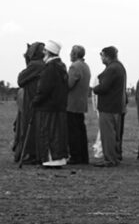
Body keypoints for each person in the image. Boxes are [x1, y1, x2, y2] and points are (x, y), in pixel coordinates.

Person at [31, 40, 72, 168]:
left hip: (48, 108)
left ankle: (51, 159)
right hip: (59, 106)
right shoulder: (61, 66)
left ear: (49, 52)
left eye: (45, 51)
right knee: (58, 134)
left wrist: (35, 101)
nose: (43, 53)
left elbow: (44, 89)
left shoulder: (50, 68)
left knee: (48, 133)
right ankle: (59, 158)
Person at [90, 46, 127, 167]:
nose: (101, 58)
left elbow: (104, 87)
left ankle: (109, 159)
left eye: (102, 55)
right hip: (116, 106)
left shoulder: (112, 68)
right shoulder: (119, 66)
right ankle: (114, 157)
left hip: (108, 106)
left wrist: (94, 89)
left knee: (108, 134)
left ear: (106, 56)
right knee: (114, 134)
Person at [13, 42, 43, 166]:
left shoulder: (35, 65)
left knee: (29, 128)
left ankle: (32, 154)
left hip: (31, 100)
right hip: (36, 100)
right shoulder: (43, 64)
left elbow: (21, 80)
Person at [65, 45, 93, 165]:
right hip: (81, 103)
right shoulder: (85, 66)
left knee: (73, 132)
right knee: (81, 131)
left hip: (72, 104)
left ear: (75, 54)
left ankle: (75, 156)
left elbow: (68, 85)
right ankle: (83, 156)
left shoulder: (74, 67)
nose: (70, 54)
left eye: (71, 52)